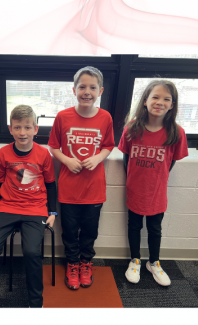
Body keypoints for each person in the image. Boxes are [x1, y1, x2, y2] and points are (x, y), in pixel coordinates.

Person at [0, 105, 57, 308]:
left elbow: (51, 184)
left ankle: (35, 303)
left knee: (31, 252)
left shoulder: (44, 155)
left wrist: (52, 211)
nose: (22, 132)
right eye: (18, 127)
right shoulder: (3, 153)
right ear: (10, 129)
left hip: (35, 209)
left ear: (36, 130)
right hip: (7, 208)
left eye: (27, 127)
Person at [48, 67, 115, 290]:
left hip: (94, 190)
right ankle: (72, 263)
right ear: (74, 89)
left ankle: (86, 262)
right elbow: (53, 146)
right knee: (69, 231)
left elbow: (108, 146)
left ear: (101, 91)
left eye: (92, 87)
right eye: (82, 87)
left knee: (89, 231)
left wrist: (97, 158)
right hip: (68, 190)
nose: (87, 91)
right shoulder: (63, 116)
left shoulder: (105, 117)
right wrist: (66, 160)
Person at [118, 80, 189, 287]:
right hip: (135, 190)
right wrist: (135, 180)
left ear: (172, 105)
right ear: (145, 101)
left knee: (154, 228)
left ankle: (154, 262)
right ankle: (134, 260)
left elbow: (171, 163)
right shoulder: (132, 128)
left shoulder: (177, 132)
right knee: (134, 225)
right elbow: (126, 159)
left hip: (157, 192)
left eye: (167, 99)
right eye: (155, 97)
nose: (160, 102)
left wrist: (156, 180)